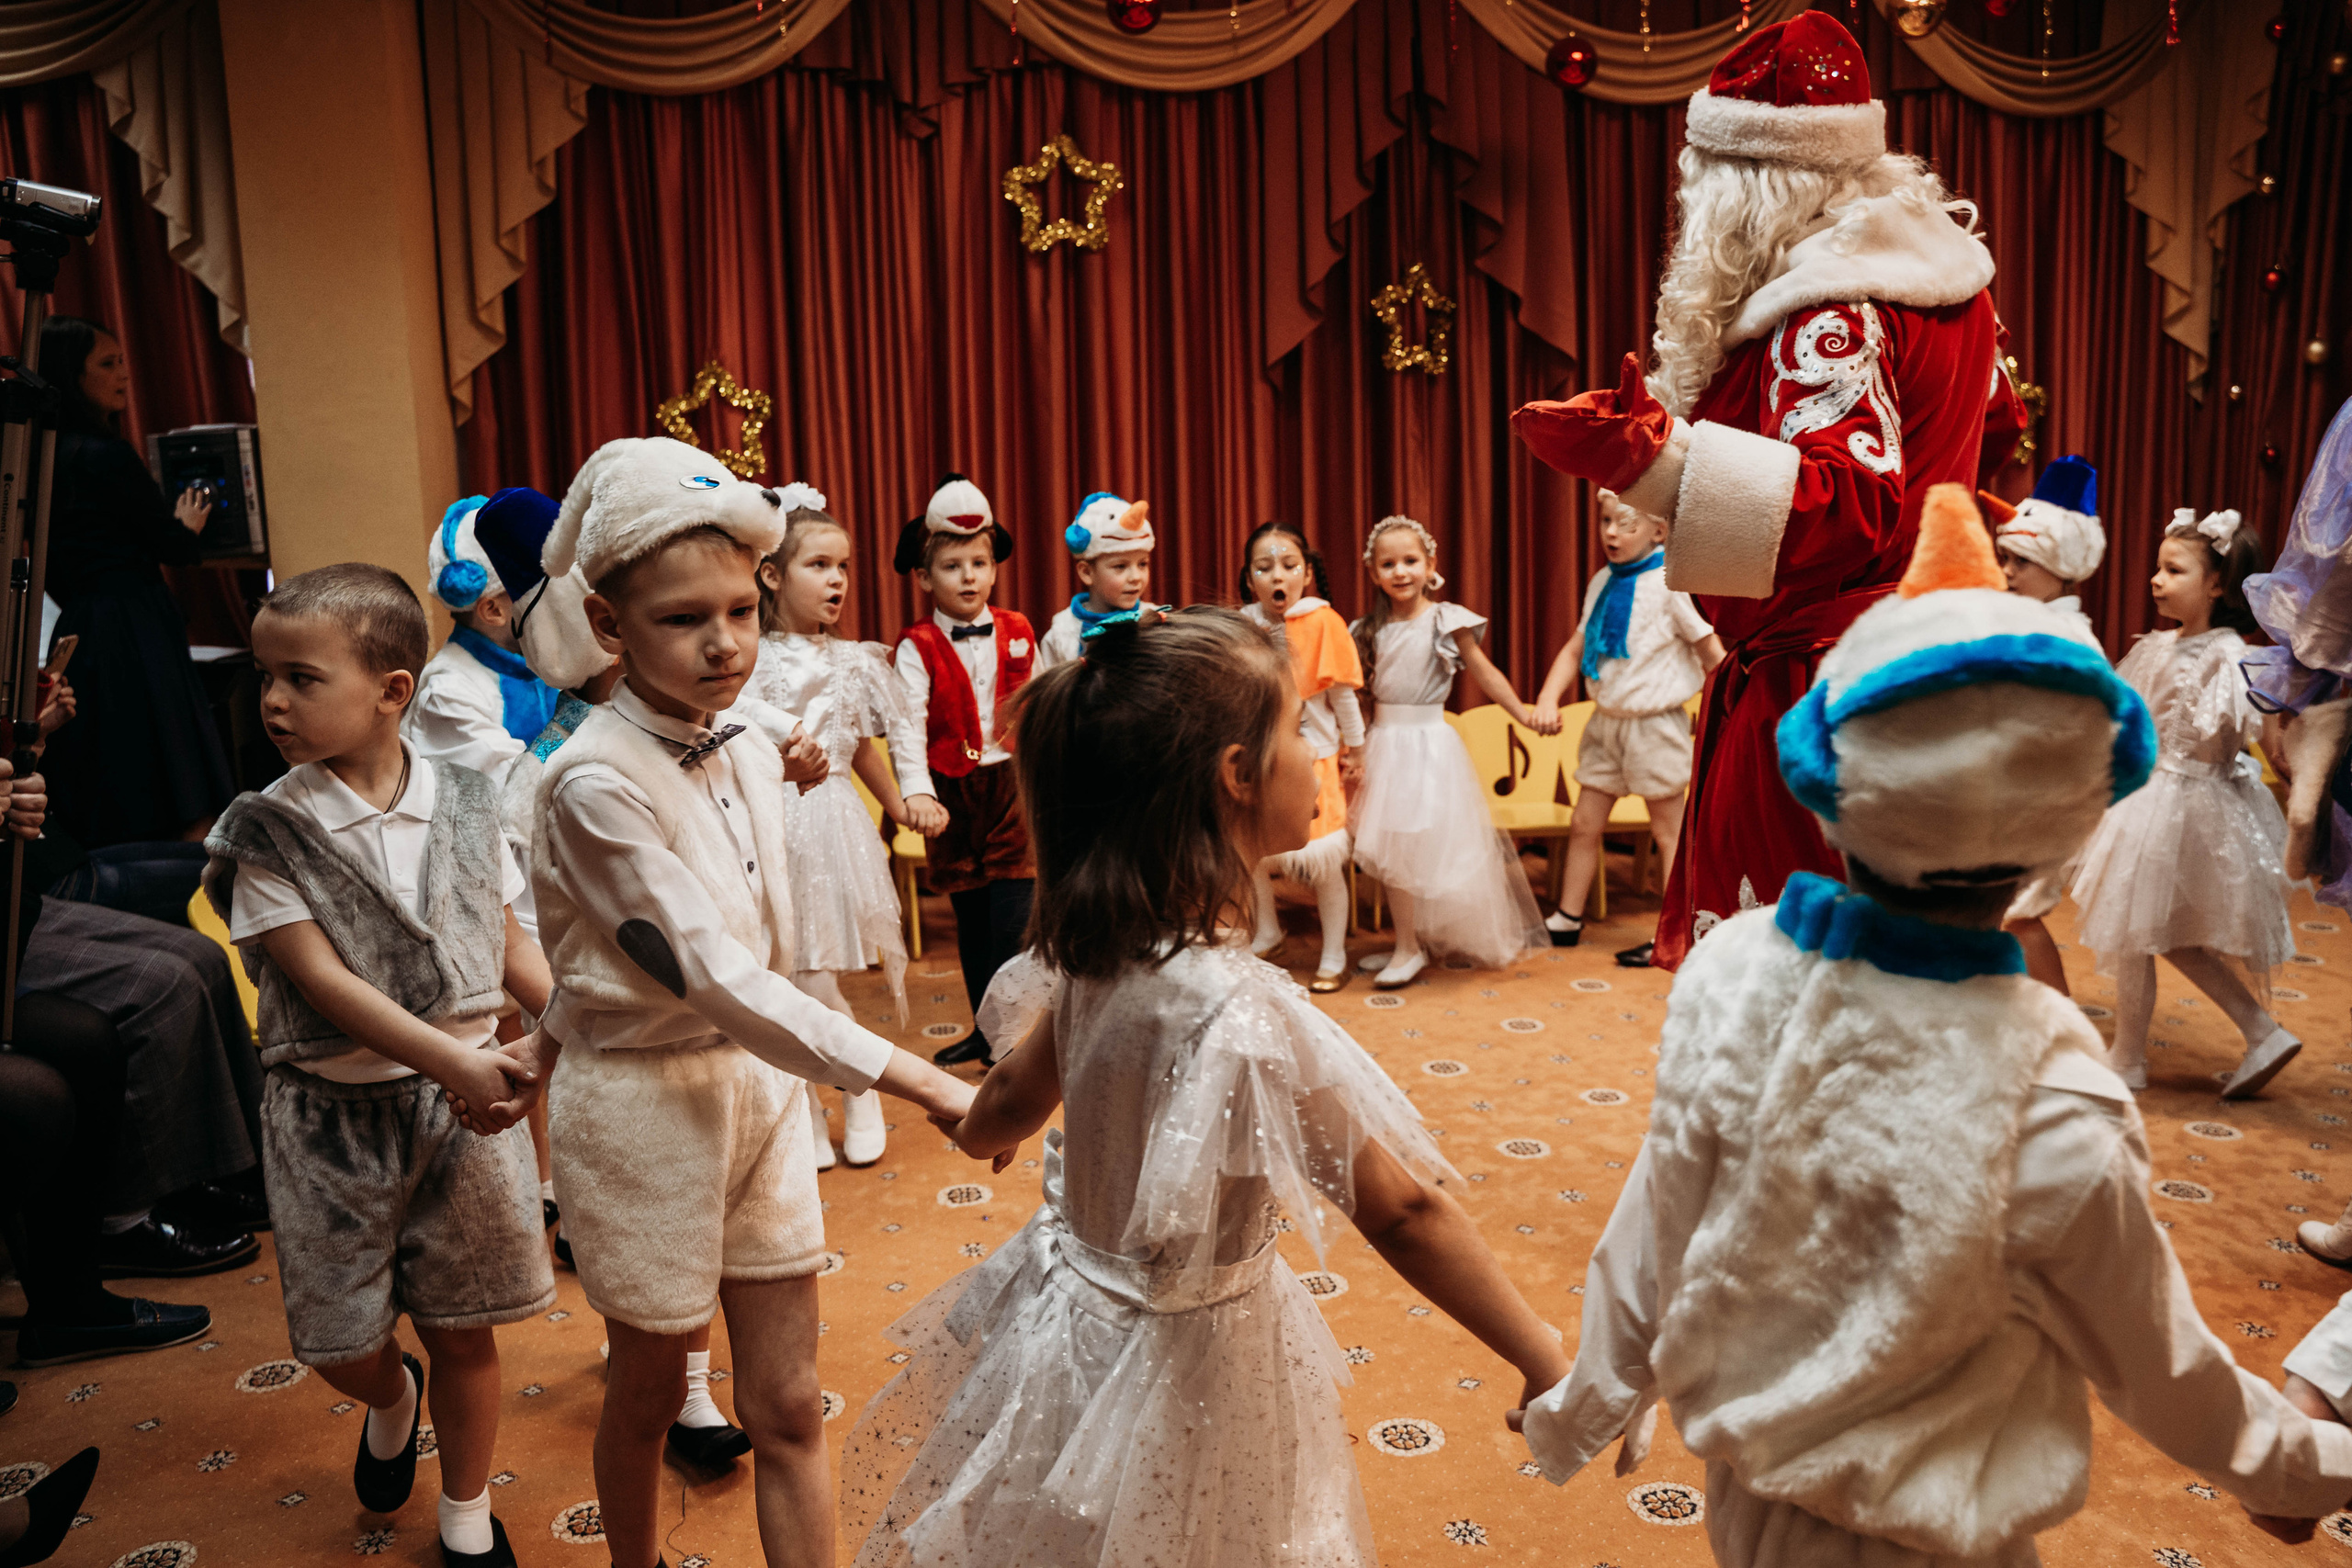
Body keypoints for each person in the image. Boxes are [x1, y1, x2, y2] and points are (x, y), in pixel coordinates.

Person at [1520, 487, 2352, 1564]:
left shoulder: (1730, 971)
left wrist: (1577, 1408)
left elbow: (1653, 1229)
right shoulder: (2056, 1092)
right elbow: (2161, 1370)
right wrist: (2303, 1469)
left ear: (1826, 782)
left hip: (1747, 1517)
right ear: (2061, 831)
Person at [840, 608, 1569, 1568]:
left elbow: (1007, 1103)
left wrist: (973, 1130)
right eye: (1294, 733)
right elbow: (1401, 1211)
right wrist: (1544, 1356)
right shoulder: (1241, 1010)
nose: (1314, 755)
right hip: (1188, 1366)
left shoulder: (1096, 956)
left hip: (1070, 1332)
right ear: (1234, 776)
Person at [531, 436, 977, 1568]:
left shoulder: (740, 743)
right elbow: (712, 975)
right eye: (685, 619)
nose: (725, 642)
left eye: (740, 608)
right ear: (608, 621)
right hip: (644, 1113)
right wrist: (920, 1075)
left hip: (759, 1096)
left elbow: (722, 932)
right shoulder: (589, 782)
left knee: (786, 1403)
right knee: (644, 1396)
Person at [1510, 12, 2026, 972]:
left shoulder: (1822, 311)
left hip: (1816, 685)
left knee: (1787, 979)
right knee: (1907, 969)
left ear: (1751, 183)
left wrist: (1646, 464)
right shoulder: (1955, 287)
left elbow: (1845, 504)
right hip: (1933, 662)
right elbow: (1992, 431)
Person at [204, 562, 556, 1568]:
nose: (271, 699)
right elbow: (324, 986)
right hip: (331, 1121)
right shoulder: (269, 827)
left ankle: (466, 1512)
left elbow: (503, 940)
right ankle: (389, 1397)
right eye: (264, 677)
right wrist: (464, 1060)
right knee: (337, 1340)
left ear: (392, 691)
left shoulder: (472, 802)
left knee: (466, 1323)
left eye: (301, 678)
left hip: (465, 1117)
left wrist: (554, 1022)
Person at [2067, 507, 2299, 1097]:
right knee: (2150, 932)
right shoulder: (2156, 648)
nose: (2156, 579)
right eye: (2156, 568)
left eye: (2174, 570)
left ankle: (2132, 1056)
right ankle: (2248, 1033)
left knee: (2145, 931)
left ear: (2217, 584)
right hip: (2158, 798)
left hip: (2184, 806)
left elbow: (2257, 731)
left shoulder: (2232, 655)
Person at [750, 483, 945, 1170]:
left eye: (844, 566)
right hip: (762, 818)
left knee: (810, 972)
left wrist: (900, 807)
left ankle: (854, 1085)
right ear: (772, 574)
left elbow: (860, 746)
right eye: (819, 565)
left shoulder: (854, 660)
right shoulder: (748, 653)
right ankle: (817, 1096)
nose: (837, 580)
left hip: (828, 820)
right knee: (777, 971)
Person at [33, 314, 235, 850]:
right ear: (70, 375)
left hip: (80, 625)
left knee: (118, 774)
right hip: (136, 624)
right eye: (107, 363)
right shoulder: (106, 456)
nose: (123, 374)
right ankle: (195, 905)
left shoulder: (36, 458)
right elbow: (172, 546)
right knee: (180, 776)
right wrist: (187, 525)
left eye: (123, 361)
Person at [1348, 514, 1549, 983]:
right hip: (1385, 745)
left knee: (1417, 846)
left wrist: (1521, 712)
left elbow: (1484, 672)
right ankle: (1407, 944)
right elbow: (1354, 694)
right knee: (1393, 846)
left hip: (1428, 747)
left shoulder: (1445, 619)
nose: (1401, 572)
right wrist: (1351, 746)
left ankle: (1410, 947)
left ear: (1430, 564)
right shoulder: (1365, 629)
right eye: (1388, 564)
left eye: (1410, 561)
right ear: (1373, 573)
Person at [1529, 491, 1724, 966]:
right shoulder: (1602, 581)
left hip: (1655, 726)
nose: (1611, 533)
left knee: (1669, 831)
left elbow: (1707, 645)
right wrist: (1548, 696)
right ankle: (1567, 917)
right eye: (1605, 522)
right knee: (1584, 822)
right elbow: (1577, 647)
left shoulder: (1669, 582)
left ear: (1659, 532)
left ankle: (1676, 931)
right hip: (1606, 724)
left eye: (1626, 523)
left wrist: (1727, 703)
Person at [891, 474, 1035, 1066]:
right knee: (972, 927)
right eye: (953, 566)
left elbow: (1044, 709)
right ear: (925, 578)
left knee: (1012, 925)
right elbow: (905, 726)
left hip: (1013, 788)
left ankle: (1016, 1041)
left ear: (994, 569)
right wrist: (917, 794)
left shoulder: (1022, 630)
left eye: (978, 563)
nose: (969, 576)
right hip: (950, 793)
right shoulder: (915, 645)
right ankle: (985, 1030)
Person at [1987, 455, 2108, 994]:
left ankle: (2061, 1030)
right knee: (1997, 913)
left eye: (2021, 562)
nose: (2007, 573)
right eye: (2005, 559)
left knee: (2018, 913)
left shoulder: (2069, 642)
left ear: (2059, 568)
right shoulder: (2027, 627)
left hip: (2043, 805)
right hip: (2012, 799)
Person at [1240, 522, 1363, 991]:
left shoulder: (1324, 622)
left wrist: (1358, 749)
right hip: (1262, 757)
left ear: (1306, 574)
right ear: (1251, 579)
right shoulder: (1244, 625)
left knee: (1324, 859)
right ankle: (1268, 930)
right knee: (1252, 852)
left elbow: (1344, 698)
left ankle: (1334, 953)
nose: (1279, 576)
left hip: (1316, 758)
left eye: (1289, 566)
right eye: (1265, 567)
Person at [403, 489, 564, 787]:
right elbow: (518, 792)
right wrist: (577, 713)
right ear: (493, 609)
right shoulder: (448, 693)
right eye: (541, 591)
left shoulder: (543, 659)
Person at [1035, 491, 1159, 670]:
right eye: (1120, 567)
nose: (1136, 577)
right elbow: (1050, 693)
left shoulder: (1156, 622)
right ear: (1086, 572)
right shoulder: (1062, 634)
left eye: (1142, 564)